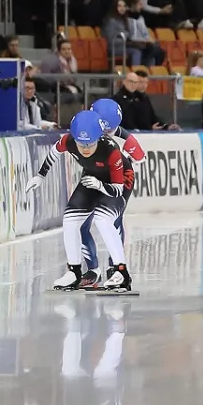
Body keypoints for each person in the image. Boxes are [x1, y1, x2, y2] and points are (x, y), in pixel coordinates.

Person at [31, 111, 133, 292]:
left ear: (99, 138)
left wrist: (100, 185)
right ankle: (74, 271)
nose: (85, 149)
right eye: (81, 144)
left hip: (119, 181)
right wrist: (40, 175)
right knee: (70, 220)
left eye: (90, 144)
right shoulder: (68, 140)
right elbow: (54, 152)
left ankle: (121, 272)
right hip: (92, 178)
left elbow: (117, 189)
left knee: (103, 218)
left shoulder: (111, 150)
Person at [77, 98, 146, 288]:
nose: (105, 134)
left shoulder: (123, 137)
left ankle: (115, 268)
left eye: (109, 130)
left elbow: (140, 157)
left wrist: (125, 159)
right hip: (94, 175)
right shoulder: (87, 129)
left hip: (120, 179)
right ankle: (93, 270)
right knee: (82, 223)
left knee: (113, 220)